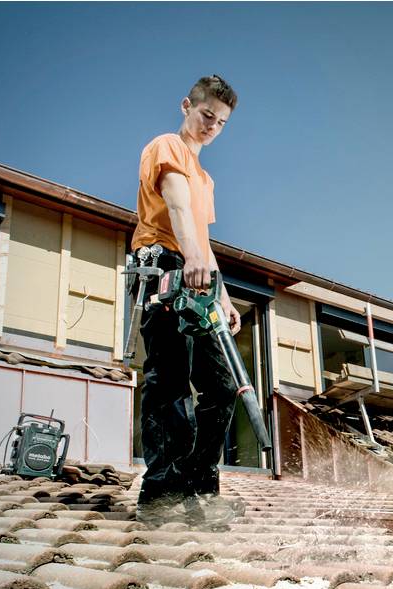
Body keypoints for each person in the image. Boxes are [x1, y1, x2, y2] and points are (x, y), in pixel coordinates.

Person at [130, 74, 241, 527]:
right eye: (206, 115)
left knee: (222, 385)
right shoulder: (167, 147)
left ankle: (198, 485)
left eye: (221, 121)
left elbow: (204, 240)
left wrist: (226, 297)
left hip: (196, 273)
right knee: (169, 380)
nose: (212, 126)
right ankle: (160, 492)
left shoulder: (207, 179)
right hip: (164, 268)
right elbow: (176, 209)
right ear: (186, 106)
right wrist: (191, 258)